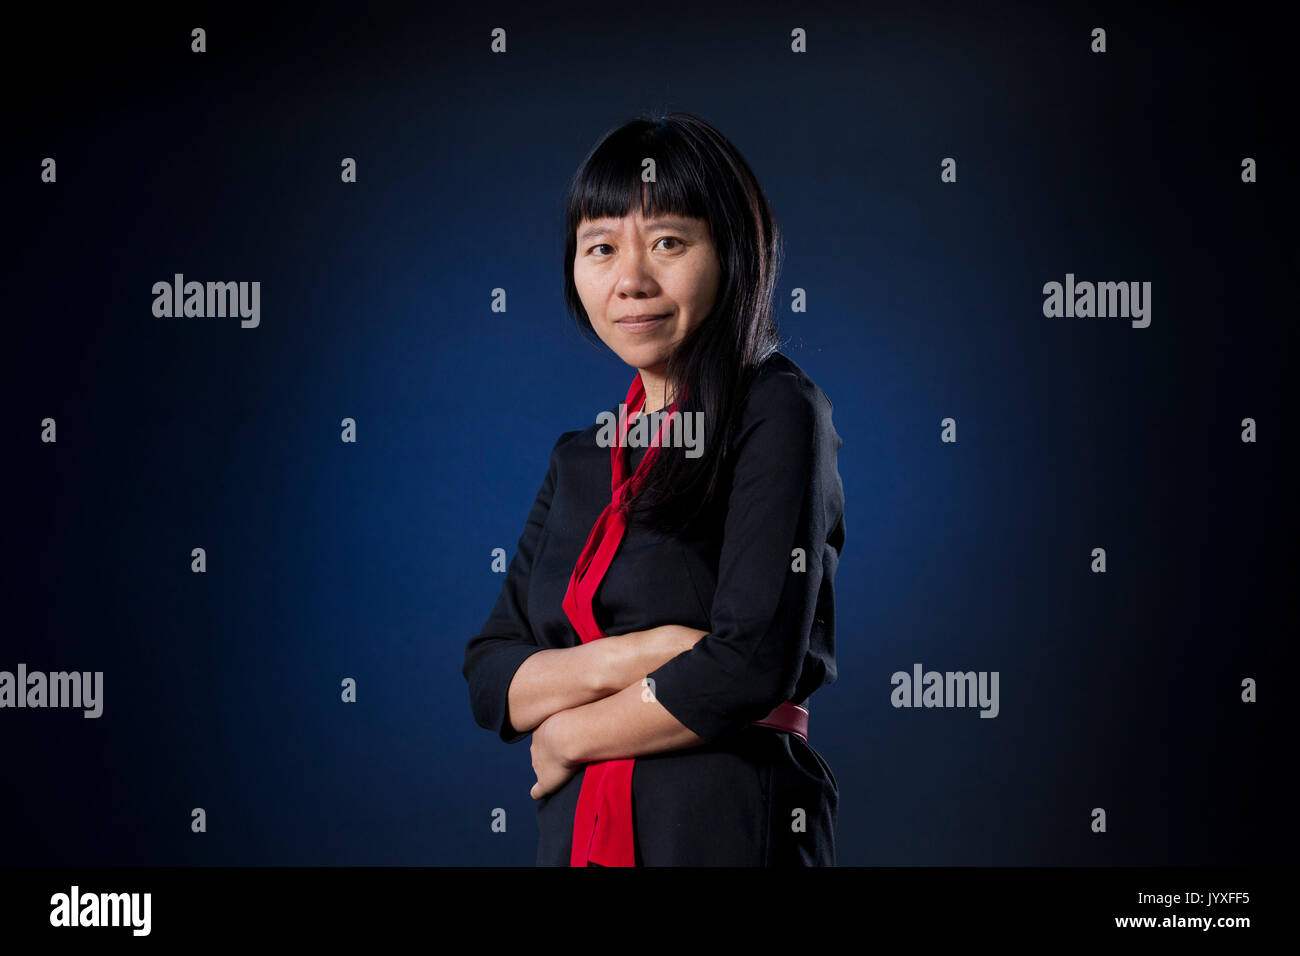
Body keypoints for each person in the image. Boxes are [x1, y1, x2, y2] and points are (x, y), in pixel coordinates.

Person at [461, 111, 844, 866]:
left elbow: (750, 664)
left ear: (732, 252)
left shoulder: (776, 408)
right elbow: (490, 676)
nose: (631, 280)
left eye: (668, 242)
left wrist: (569, 729)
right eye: (600, 248)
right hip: (578, 837)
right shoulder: (581, 458)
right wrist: (647, 651)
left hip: (726, 829)